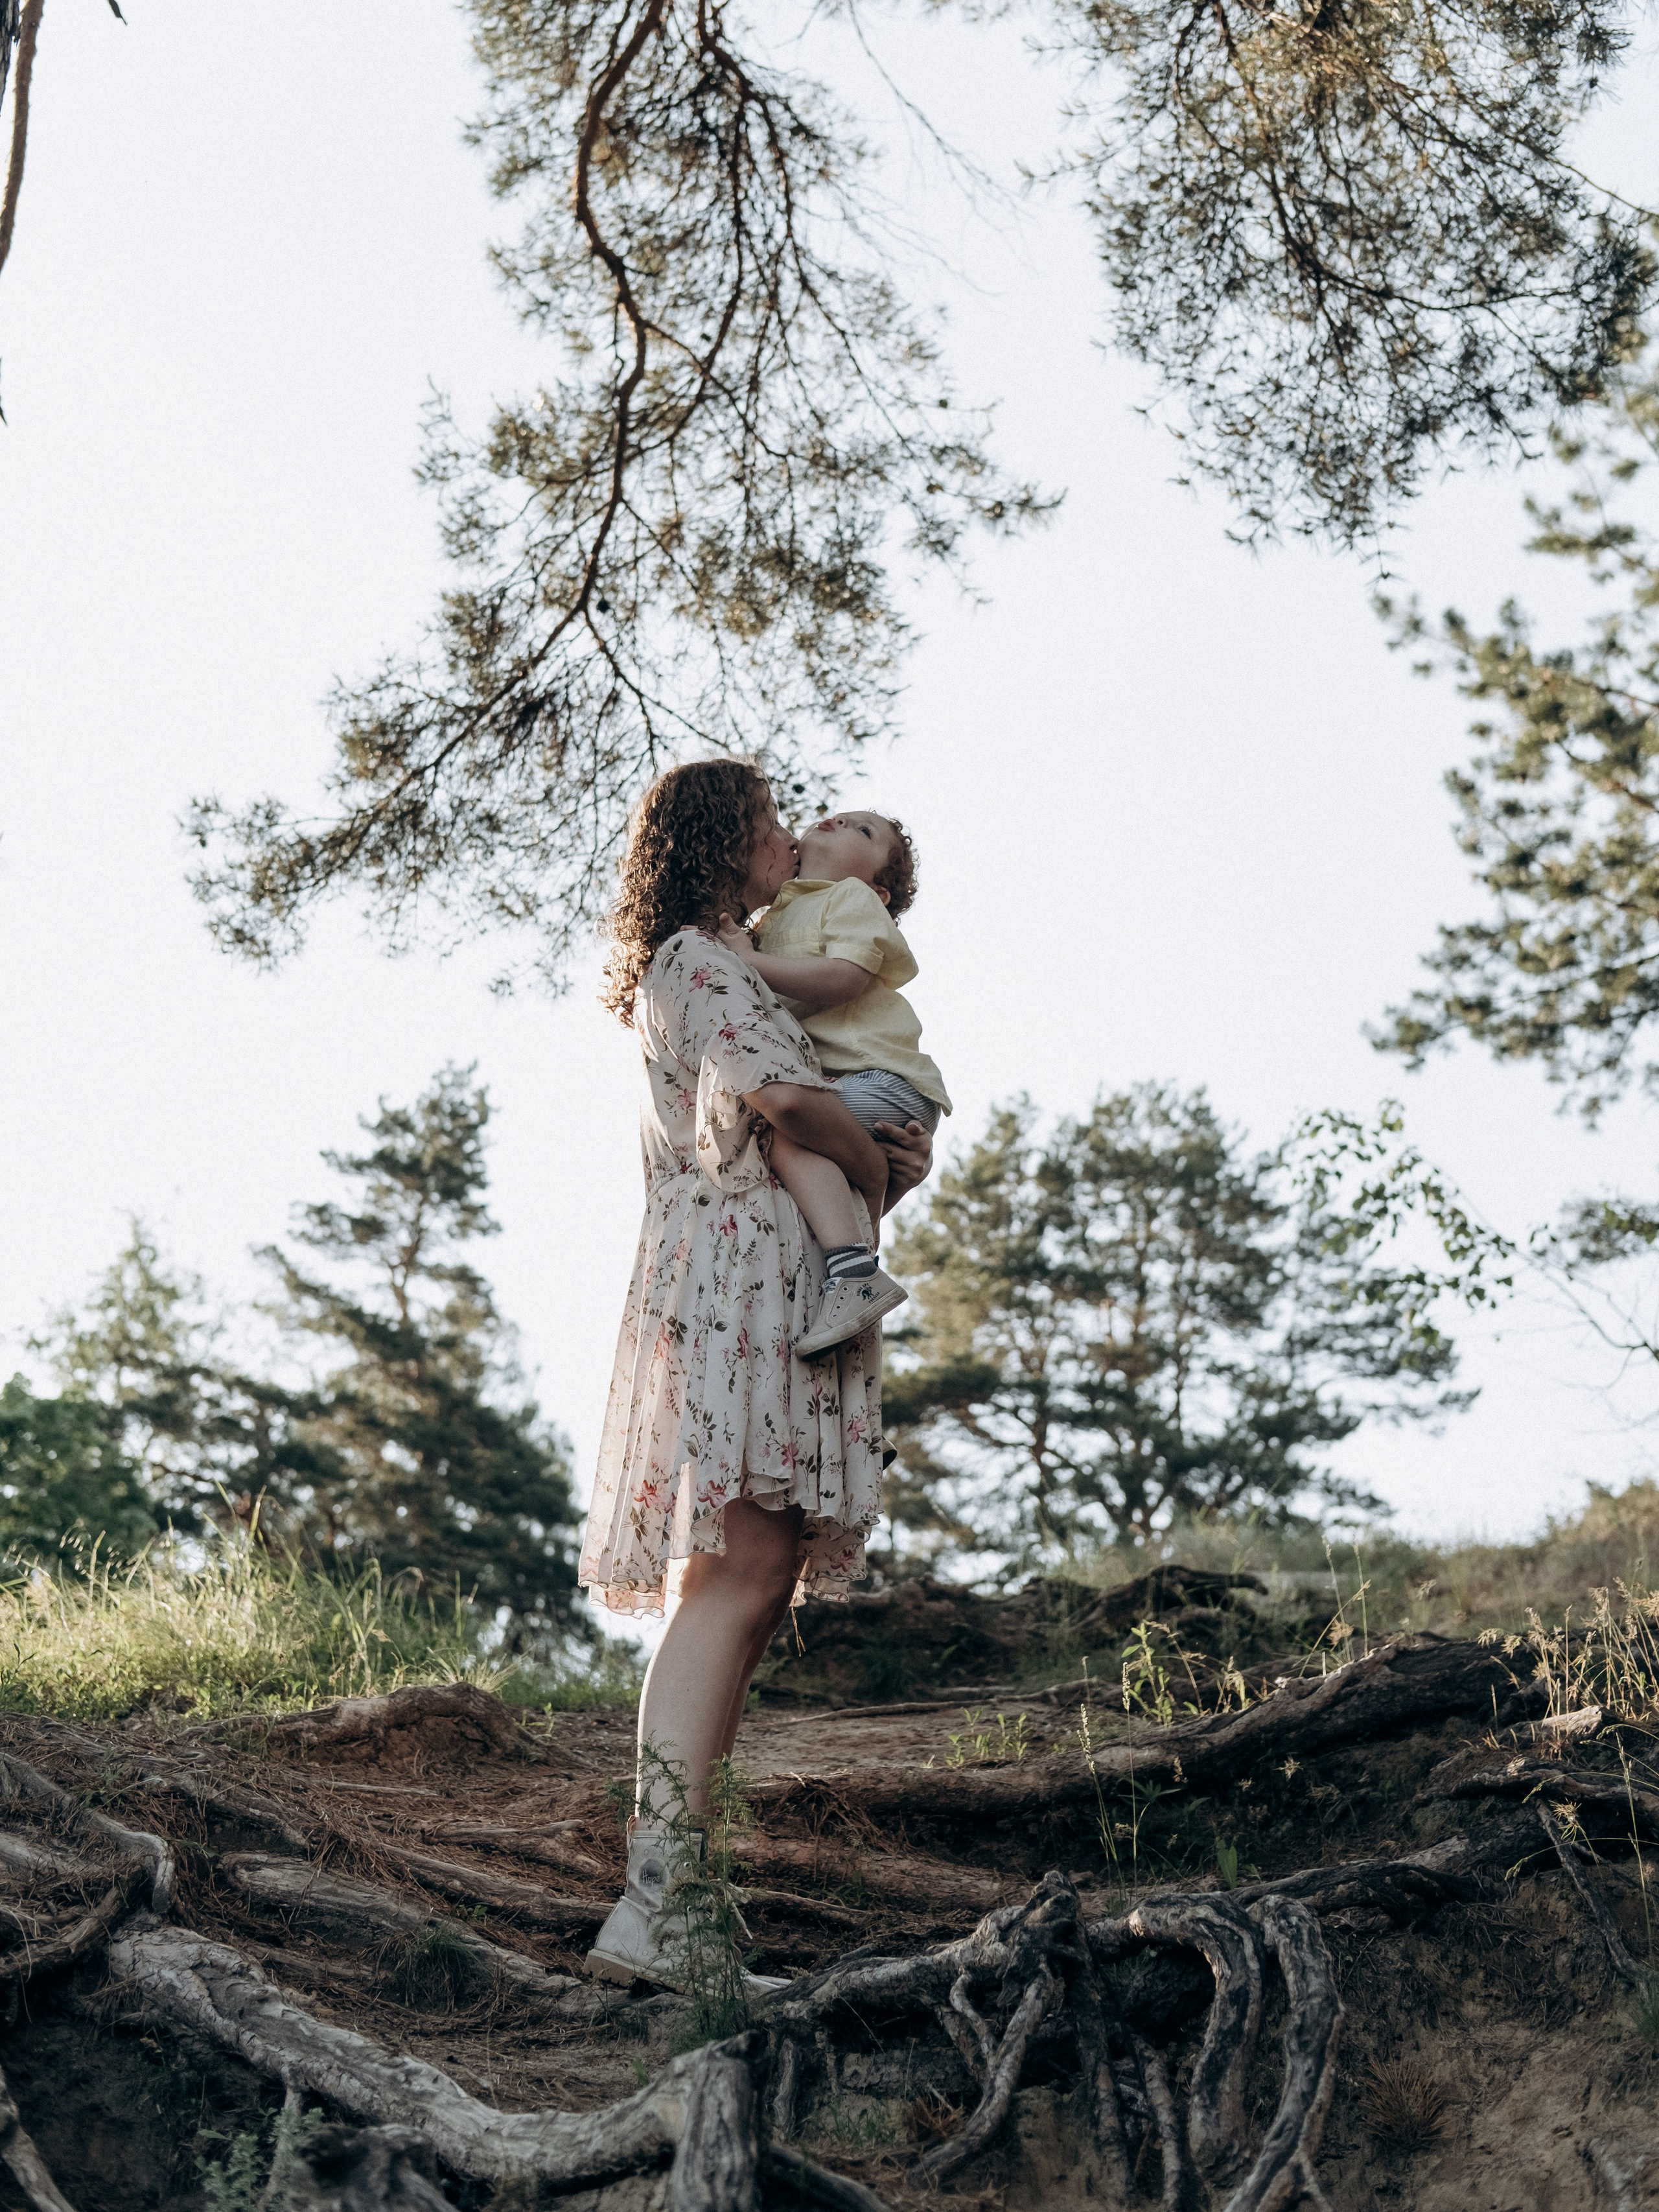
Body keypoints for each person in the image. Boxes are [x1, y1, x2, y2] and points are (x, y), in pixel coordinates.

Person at [580, 760, 933, 1990]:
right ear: (724, 837)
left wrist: (883, 1158)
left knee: (751, 1569)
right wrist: (871, 1152)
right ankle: (658, 1903)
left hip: (762, 1263)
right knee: (732, 1569)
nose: (792, 835)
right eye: (774, 818)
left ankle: (678, 1899)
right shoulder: (697, 955)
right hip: (734, 1262)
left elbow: (829, 1114)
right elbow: (785, 1097)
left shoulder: (723, 955)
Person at [717, 808, 951, 1357]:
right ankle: (857, 1335)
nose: (838, 821)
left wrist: (750, 963)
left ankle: (854, 1273)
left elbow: (844, 978)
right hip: (857, 1082)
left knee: (783, 1126)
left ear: (879, 889)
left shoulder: (849, 900)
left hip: (885, 1079)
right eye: (838, 815)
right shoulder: (773, 920)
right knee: (826, 1182)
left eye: (862, 831)